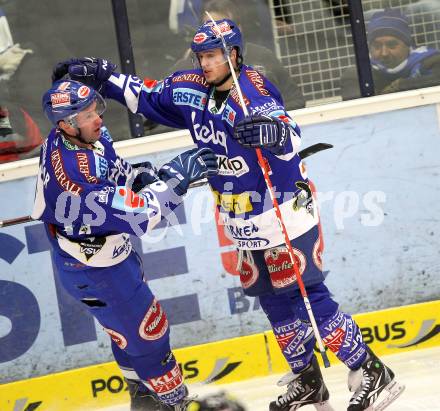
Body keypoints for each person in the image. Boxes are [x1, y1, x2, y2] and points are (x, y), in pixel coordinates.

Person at [53, 19, 404, 411]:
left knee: (307, 296)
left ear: (234, 54)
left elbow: (288, 131)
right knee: (272, 299)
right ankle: (307, 379)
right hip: (240, 220)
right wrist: (105, 75)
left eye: (214, 56)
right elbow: (147, 96)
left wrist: (274, 135)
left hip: (282, 211)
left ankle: (372, 371)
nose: (205, 64)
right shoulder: (190, 87)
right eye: (201, 56)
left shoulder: (252, 91)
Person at [31, 78, 218, 410]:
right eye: (87, 115)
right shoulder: (75, 175)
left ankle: (143, 398)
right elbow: (142, 217)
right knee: (150, 337)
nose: (98, 119)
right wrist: (176, 178)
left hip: (107, 257)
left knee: (127, 332)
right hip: (97, 270)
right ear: (65, 124)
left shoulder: (85, 137)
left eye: (96, 110)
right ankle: (174, 402)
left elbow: (116, 172)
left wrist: (139, 177)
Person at [341, 8, 440, 100]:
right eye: (377, 46)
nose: (384, 53)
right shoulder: (360, 75)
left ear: (407, 44)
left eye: (392, 45)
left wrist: (401, 85)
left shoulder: (430, 61)